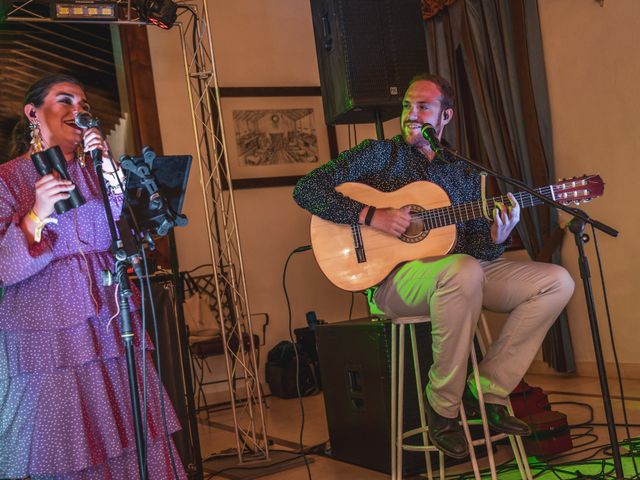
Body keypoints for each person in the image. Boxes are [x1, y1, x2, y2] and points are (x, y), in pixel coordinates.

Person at [293, 73, 575, 459]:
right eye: (407, 105)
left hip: (461, 273)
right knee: (462, 270)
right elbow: (306, 189)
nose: (411, 113)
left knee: (556, 281)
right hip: (396, 283)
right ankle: (443, 408)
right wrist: (370, 214)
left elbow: (476, 248)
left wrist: (496, 235)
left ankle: (487, 391)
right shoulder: (379, 154)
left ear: (446, 116)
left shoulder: (463, 173)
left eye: (422, 106)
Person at [0, 75, 186, 479]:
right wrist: (36, 212)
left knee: (128, 425)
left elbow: (118, 236)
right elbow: (4, 267)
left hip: (109, 317)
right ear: (34, 112)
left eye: (82, 103)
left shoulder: (100, 171)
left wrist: (110, 170)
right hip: (48, 330)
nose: (77, 110)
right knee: (64, 439)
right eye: (64, 100)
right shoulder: (8, 178)